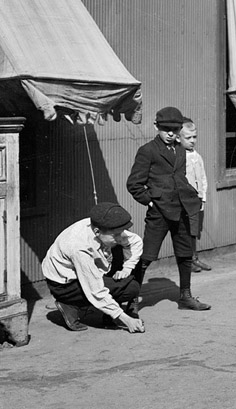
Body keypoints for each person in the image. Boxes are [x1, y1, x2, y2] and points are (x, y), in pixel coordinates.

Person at [126, 106, 211, 311]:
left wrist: (191, 196)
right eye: (166, 129)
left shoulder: (181, 150)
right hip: (159, 213)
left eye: (175, 129)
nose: (171, 134)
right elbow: (134, 184)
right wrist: (150, 202)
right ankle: (132, 301)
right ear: (156, 126)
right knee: (146, 256)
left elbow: (179, 178)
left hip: (182, 210)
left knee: (185, 254)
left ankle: (185, 297)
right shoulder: (148, 151)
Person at [41, 202, 146, 333]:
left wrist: (127, 268)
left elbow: (135, 241)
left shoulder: (103, 227)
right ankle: (68, 303)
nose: (120, 238)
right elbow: (95, 291)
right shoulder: (79, 247)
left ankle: (107, 312)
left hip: (83, 271)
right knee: (130, 288)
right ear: (97, 231)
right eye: (116, 235)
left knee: (128, 270)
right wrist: (126, 319)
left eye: (121, 233)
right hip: (64, 285)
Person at [177, 118, 212, 273]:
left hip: (196, 201)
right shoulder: (178, 157)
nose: (192, 141)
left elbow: (203, 178)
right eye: (188, 138)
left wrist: (202, 198)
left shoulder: (197, 156)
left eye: (194, 137)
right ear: (178, 138)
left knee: (193, 231)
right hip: (184, 201)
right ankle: (187, 262)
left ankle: (194, 258)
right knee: (184, 232)